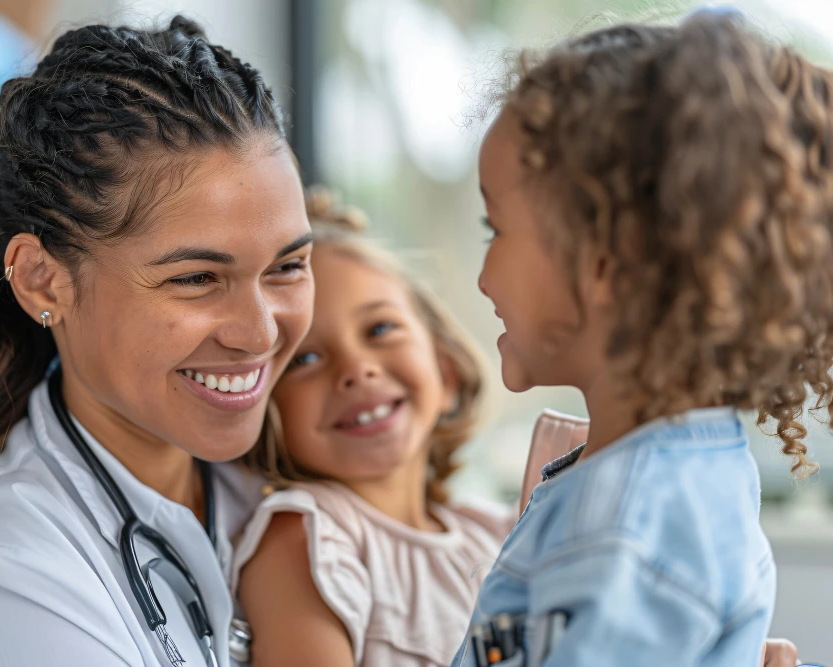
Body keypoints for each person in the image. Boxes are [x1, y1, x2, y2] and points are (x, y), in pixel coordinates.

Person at [0, 17, 313, 667]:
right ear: (42, 280)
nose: (261, 332)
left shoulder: (284, 481)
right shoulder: (1, 585)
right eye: (196, 278)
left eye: (287, 266)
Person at [457, 12, 833, 667]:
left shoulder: (627, 522)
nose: (483, 275)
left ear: (607, 261)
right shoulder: (680, 473)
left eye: (497, 230)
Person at [232, 190, 516, 667]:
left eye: (380, 330)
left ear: (445, 370)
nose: (356, 369)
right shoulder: (307, 540)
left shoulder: (500, 532)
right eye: (305, 358)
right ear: (264, 412)